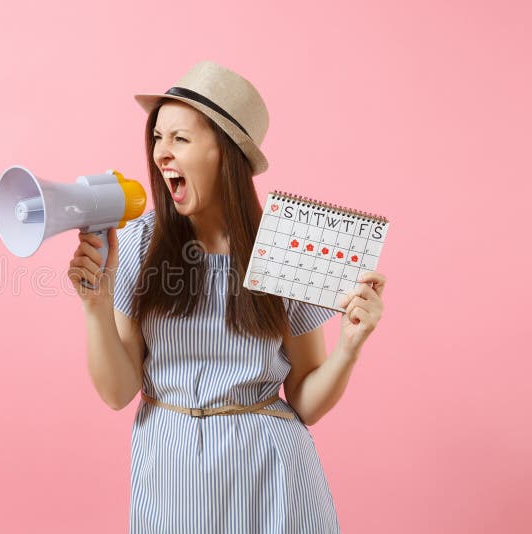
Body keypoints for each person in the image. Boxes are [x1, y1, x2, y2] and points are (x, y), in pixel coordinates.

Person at [67, 61, 386, 533]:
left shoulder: (283, 249)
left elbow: (305, 401)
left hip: (272, 481)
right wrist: (95, 306)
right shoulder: (138, 243)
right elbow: (117, 393)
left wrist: (350, 347)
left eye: (180, 139)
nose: (160, 154)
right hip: (169, 476)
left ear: (226, 152)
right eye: (157, 138)